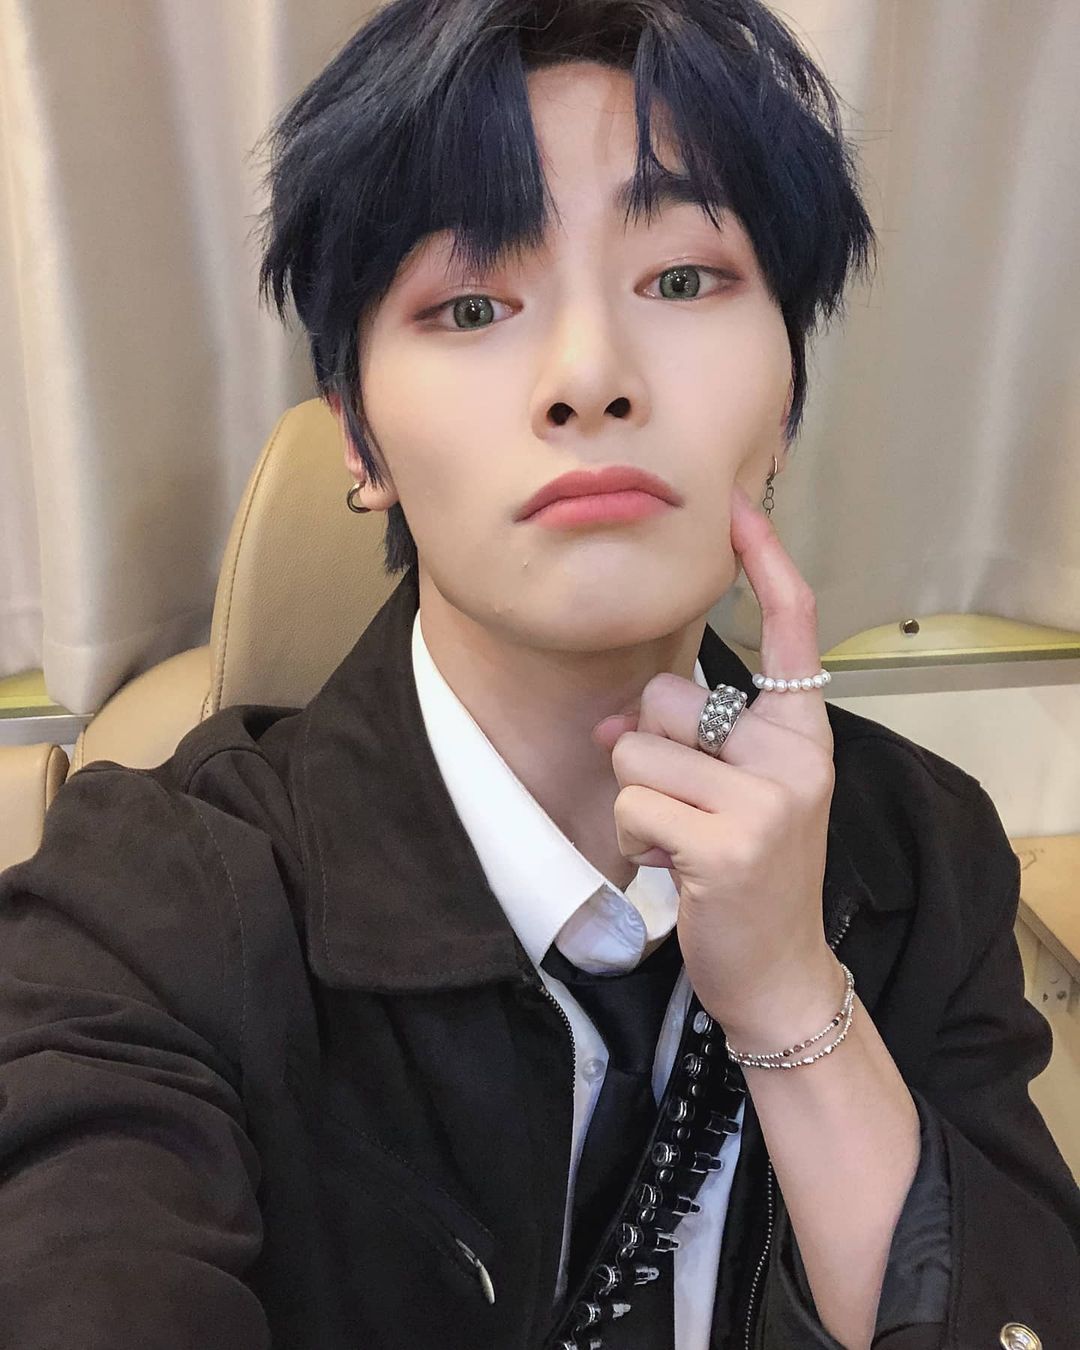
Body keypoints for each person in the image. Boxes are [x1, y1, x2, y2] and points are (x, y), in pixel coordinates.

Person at [1, 1, 1077, 1347]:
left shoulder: (923, 847)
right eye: (471, 305)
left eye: (681, 281)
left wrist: (795, 997)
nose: (588, 376)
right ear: (362, 442)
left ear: (788, 401)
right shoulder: (144, 904)